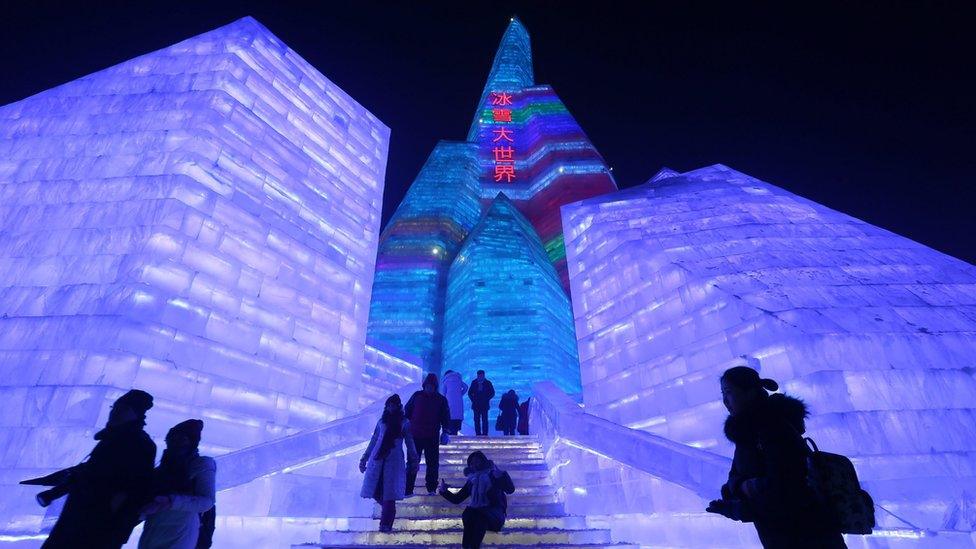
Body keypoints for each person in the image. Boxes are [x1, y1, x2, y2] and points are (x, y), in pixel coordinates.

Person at [706, 366, 846, 549]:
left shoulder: (773, 428)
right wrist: (741, 491)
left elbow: (785, 492)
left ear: (750, 392)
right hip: (784, 537)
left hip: (807, 535)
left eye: (729, 392)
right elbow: (734, 483)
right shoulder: (748, 435)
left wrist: (739, 502)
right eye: (723, 394)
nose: (725, 400)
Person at [41, 389, 157, 549]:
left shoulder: (140, 444)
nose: (115, 412)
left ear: (136, 414)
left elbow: (136, 489)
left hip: (99, 525)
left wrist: (112, 513)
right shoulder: (113, 437)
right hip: (80, 516)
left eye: (123, 409)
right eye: (114, 407)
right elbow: (92, 472)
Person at [138, 419, 216, 549]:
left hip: (180, 533)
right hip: (153, 531)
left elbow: (207, 501)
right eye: (174, 438)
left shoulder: (201, 464)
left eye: (183, 439)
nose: (177, 443)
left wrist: (171, 502)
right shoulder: (160, 471)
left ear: (192, 442)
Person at [360, 394, 418, 532]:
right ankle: (386, 519)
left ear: (398, 406)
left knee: (389, 497)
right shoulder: (382, 422)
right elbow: (374, 441)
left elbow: (410, 443)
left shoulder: (404, 422)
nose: (391, 407)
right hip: (378, 460)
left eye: (393, 404)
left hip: (394, 463)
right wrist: (364, 458)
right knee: (377, 492)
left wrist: (414, 460)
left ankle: (386, 525)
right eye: (389, 405)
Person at [438, 450, 515, 549]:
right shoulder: (472, 480)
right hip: (477, 517)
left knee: (477, 515)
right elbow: (457, 499)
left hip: (494, 516)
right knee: (470, 513)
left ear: (483, 461)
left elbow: (510, 489)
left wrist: (502, 475)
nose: (474, 465)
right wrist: (444, 491)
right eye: (471, 463)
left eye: (477, 461)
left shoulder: (493, 475)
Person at [404, 373, 451, 495]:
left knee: (432, 463)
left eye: (432, 386)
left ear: (435, 386)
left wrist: (445, 431)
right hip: (416, 436)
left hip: (432, 436)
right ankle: (408, 489)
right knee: (412, 462)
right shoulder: (417, 396)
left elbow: (445, 417)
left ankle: (431, 488)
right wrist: (406, 426)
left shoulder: (440, 400)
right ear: (424, 385)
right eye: (428, 386)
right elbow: (407, 411)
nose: (429, 388)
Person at [467, 371, 495, 437]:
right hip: (476, 405)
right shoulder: (474, 382)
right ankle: (478, 433)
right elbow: (469, 393)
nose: (480, 377)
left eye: (481, 375)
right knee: (476, 420)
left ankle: (485, 434)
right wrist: (473, 400)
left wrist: (487, 398)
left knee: (484, 419)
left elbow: (492, 393)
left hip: (484, 405)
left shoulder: (488, 383)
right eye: (479, 375)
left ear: (483, 375)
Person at [441, 370, 468, 436]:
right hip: (458, 404)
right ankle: (455, 437)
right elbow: (466, 387)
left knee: (450, 424)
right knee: (456, 426)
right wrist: (460, 394)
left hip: (449, 404)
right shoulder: (458, 380)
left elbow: (443, 394)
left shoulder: (446, 381)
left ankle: (450, 440)